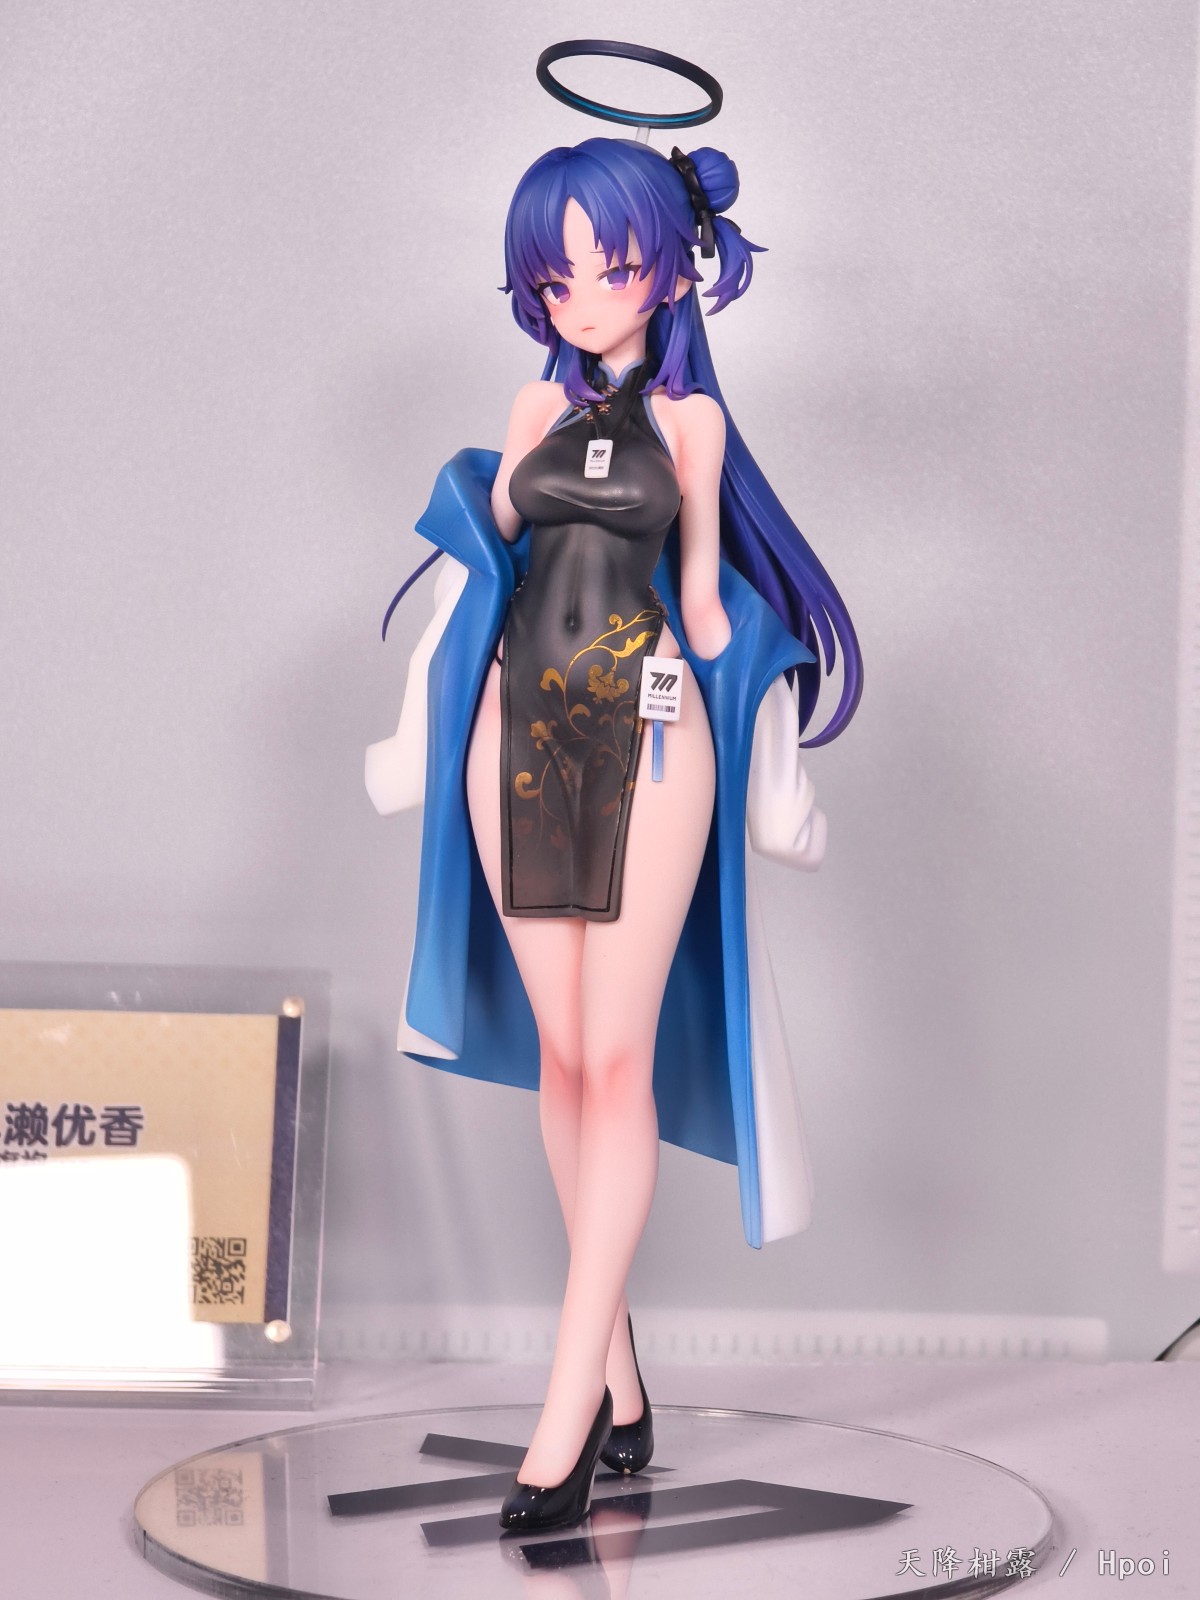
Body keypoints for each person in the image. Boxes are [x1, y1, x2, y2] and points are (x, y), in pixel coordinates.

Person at [366, 135, 861, 1532]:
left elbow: (708, 610)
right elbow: (483, 574)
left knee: (619, 1055)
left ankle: (564, 1411)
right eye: (557, 274)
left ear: (671, 271)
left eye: (613, 265)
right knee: (567, 1059)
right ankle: (622, 1381)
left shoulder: (692, 428)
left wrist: (770, 746)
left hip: (650, 741)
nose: (583, 296)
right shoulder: (533, 403)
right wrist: (424, 722)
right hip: (516, 738)